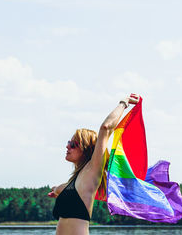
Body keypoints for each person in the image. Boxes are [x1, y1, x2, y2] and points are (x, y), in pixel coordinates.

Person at [48, 93, 140, 234]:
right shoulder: (76, 181)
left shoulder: (91, 171)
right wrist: (56, 190)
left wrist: (124, 102)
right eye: (68, 143)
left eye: (73, 144)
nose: (67, 146)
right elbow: (61, 188)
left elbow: (106, 128)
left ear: (85, 149)